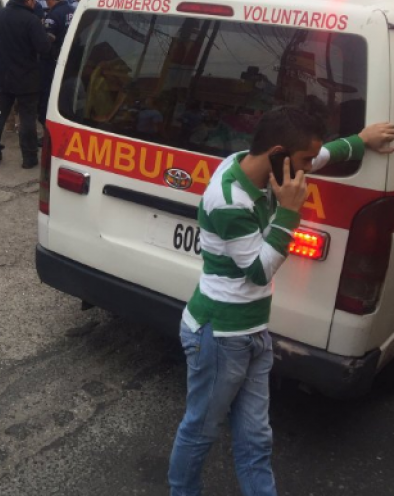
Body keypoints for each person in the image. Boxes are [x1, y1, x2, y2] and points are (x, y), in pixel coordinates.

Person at [167, 107, 394, 496]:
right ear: (277, 153)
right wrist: (289, 212)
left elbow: (319, 154)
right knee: (201, 430)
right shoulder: (228, 199)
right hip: (219, 335)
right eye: (303, 161)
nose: (309, 168)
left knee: (256, 439)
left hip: (252, 332)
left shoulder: (256, 164)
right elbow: (258, 271)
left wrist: (361, 141)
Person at [0, 0, 51, 169]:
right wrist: (49, 39)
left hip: (1, 75)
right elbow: (44, 48)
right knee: (27, 119)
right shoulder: (31, 20)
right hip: (26, 78)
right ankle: (29, 158)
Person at [38, 0, 74, 124]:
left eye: (47, 0)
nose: (47, 2)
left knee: (48, 94)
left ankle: (46, 125)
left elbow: (48, 40)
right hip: (71, 61)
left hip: (52, 62)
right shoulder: (73, 10)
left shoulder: (53, 15)